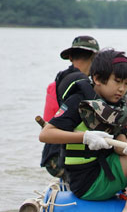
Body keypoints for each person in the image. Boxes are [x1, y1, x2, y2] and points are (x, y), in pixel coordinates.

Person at [39, 49, 127, 212]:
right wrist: (85, 137)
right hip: (88, 182)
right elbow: (45, 134)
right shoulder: (78, 101)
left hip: (103, 173)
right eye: (118, 82)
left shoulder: (118, 107)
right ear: (98, 79)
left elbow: (118, 145)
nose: (122, 89)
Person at [41, 35, 100, 178]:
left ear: (70, 57)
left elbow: (47, 119)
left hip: (51, 155)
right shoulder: (83, 84)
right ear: (95, 58)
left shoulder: (60, 79)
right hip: (61, 159)